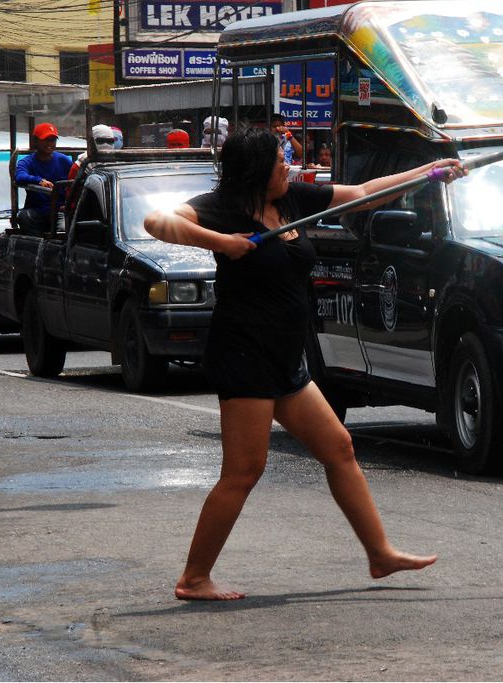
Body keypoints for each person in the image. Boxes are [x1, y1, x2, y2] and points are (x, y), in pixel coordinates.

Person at [143, 127, 466, 601]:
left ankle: (379, 553)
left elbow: (359, 195)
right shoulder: (224, 205)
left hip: (283, 356)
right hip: (244, 354)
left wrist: (429, 173)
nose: (288, 167)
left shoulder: (292, 198)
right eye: (279, 161)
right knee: (243, 471)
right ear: (256, 169)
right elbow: (157, 221)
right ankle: (194, 578)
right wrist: (222, 242)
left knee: (338, 447)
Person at [15, 122, 73, 234]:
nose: (50, 143)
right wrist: (39, 181)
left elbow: (77, 180)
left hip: (60, 210)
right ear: (36, 141)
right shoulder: (27, 161)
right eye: (46, 140)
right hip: (37, 211)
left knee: (65, 231)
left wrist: (68, 205)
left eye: (53, 140)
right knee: (24, 217)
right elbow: (19, 176)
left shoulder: (64, 161)